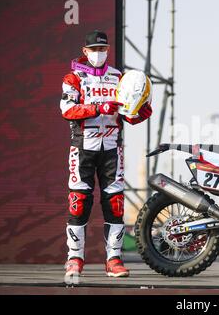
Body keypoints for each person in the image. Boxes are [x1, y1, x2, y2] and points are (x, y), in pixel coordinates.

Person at [60, 30, 153, 278]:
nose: (99, 54)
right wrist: (96, 108)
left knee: (115, 204)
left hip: (112, 147)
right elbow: (67, 110)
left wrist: (141, 111)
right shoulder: (74, 77)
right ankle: (74, 259)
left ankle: (114, 259)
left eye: (103, 50)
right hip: (83, 147)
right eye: (94, 50)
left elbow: (128, 115)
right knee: (79, 203)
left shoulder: (119, 77)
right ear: (85, 51)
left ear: (108, 50)